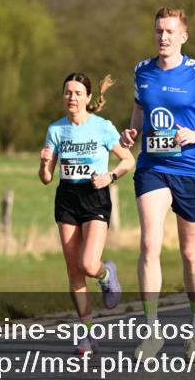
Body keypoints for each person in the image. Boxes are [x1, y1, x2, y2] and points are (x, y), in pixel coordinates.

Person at [119, 8, 195, 359]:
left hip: (192, 168)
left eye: (170, 31)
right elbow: (140, 108)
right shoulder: (142, 70)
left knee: (190, 252)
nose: (163, 37)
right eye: (158, 31)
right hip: (152, 165)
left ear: (183, 36)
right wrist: (132, 132)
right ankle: (152, 330)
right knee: (149, 244)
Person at [40, 73, 136, 355]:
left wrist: (110, 176)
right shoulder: (56, 130)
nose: (72, 97)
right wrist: (44, 164)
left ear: (88, 98)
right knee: (74, 272)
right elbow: (46, 178)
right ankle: (86, 335)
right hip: (67, 199)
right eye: (68, 92)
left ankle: (106, 273)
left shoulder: (102, 127)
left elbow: (128, 160)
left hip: (95, 197)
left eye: (78, 93)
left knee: (88, 263)